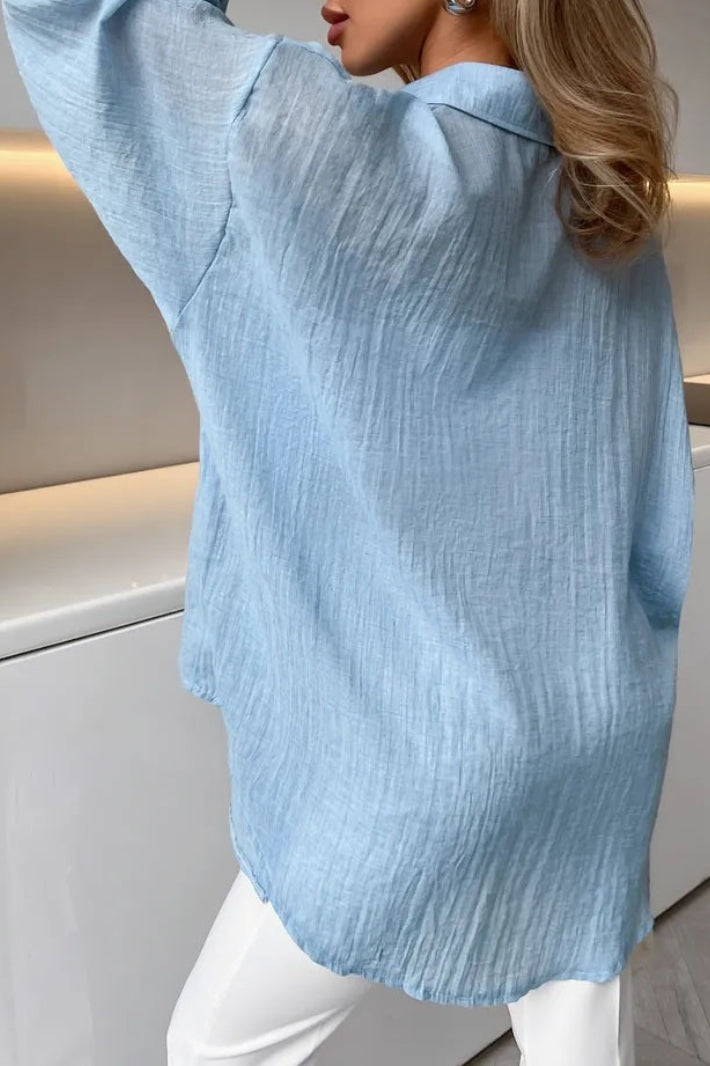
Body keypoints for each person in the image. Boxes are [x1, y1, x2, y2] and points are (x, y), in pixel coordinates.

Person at [2, 0, 694, 1061]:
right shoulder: (600, 203)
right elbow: (651, 516)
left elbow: (79, 17)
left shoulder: (295, 137)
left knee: (212, 1047)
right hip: (594, 736)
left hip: (422, 763)